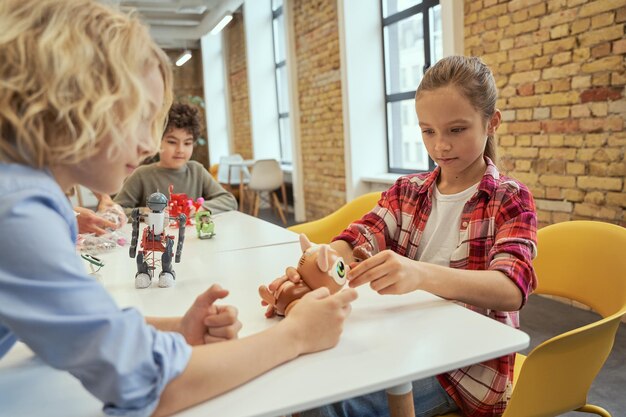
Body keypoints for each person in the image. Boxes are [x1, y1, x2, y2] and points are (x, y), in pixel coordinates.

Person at [0, 2, 358, 417]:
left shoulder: (31, 197)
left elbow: (68, 330)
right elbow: (155, 387)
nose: (151, 144)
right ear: (71, 102)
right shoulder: (18, 212)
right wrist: (296, 336)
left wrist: (176, 330)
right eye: (140, 117)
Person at [268, 56, 538, 417]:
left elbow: (510, 290)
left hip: (463, 369)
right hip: (401, 338)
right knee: (296, 375)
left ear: (492, 123)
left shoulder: (510, 198)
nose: (440, 146)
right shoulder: (407, 190)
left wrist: (419, 274)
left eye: (456, 130)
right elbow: (362, 235)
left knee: (320, 402)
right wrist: (325, 258)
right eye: (428, 131)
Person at [114, 102, 237, 216]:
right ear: (157, 140)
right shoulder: (142, 175)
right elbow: (116, 210)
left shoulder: (196, 171)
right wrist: (147, 211)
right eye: (172, 142)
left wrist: (199, 208)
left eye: (187, 143)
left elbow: (229, 201)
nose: (180, 150)